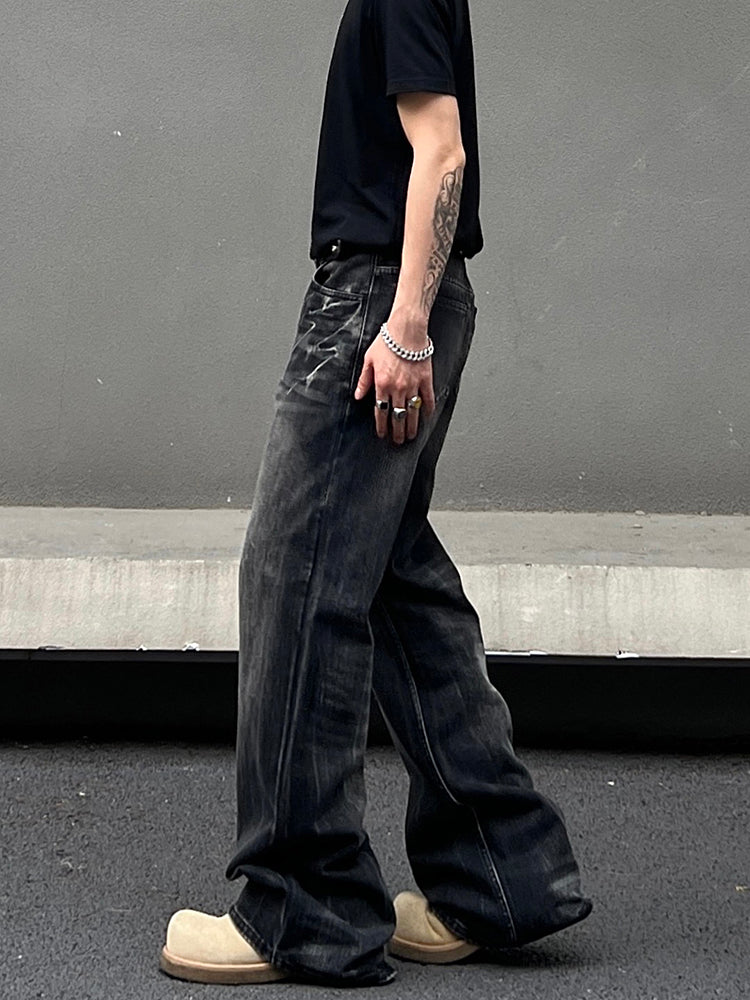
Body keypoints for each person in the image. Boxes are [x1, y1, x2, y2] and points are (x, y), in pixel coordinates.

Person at [159, 0, 592, 987]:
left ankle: (302, 905)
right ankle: (503, 875)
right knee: (393, 580)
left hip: (375, 303)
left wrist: (404, 325)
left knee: (297, 581)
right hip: (399, 297)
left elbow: (441, 150)